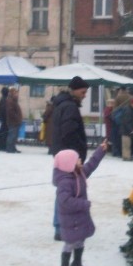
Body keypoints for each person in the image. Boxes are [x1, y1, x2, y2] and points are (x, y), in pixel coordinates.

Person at [53, 140, 108, 266]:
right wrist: (83, 204)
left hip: (79, 217)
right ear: (68, 164)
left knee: (80, 239)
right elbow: (64, 201)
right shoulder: (65, 182)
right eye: (77, 160)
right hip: (71, 218)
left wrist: (101, 150)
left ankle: (76, 263)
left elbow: (92, 164)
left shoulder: (79, 173)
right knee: (70, 242)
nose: (80, 161)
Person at [48, 76, 90, 239]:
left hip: (61, 153)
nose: (85, 95)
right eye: (83, 91)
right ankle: (61, 227)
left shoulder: (62, 105)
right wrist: (75, 157)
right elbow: (69, 132)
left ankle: (61, 225)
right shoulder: (70, 107)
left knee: (64, 190)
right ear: (74, 90)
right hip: (68, 157)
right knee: (67, 190)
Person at [5, 87, 23, 154]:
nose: (17, 94)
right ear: (12, 93)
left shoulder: (14, 100)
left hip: (16, 122)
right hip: (13, 122)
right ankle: (9, 148)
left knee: (14, 136)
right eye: (16, 93)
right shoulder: (10, 101)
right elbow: (11, 112)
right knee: (12, 135)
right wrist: (17, 118)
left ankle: (13, 147)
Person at [0, 87, 9, 152]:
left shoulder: (3, 99)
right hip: (4, 119)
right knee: (3, 132)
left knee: (3, 132)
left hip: (3, 118)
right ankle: (2, 146)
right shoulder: (3, 100)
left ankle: (2, 146)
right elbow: (3, 110)